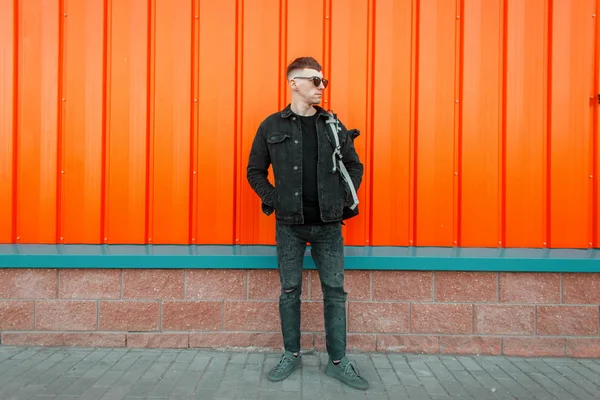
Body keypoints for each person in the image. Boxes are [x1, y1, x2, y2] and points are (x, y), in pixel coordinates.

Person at [246, 56, 367, 391]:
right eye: (315, 80)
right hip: (289, 225)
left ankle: (339, 362)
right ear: (293, 82)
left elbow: (355, 165)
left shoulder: (333, 126)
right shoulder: (271, 127)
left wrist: (344, 198)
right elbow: (254, 172)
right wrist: (275, 198)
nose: (321, 87)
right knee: (289, 291)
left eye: (323, 81)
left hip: (329, 225)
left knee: (334, 292)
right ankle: (291, 354)